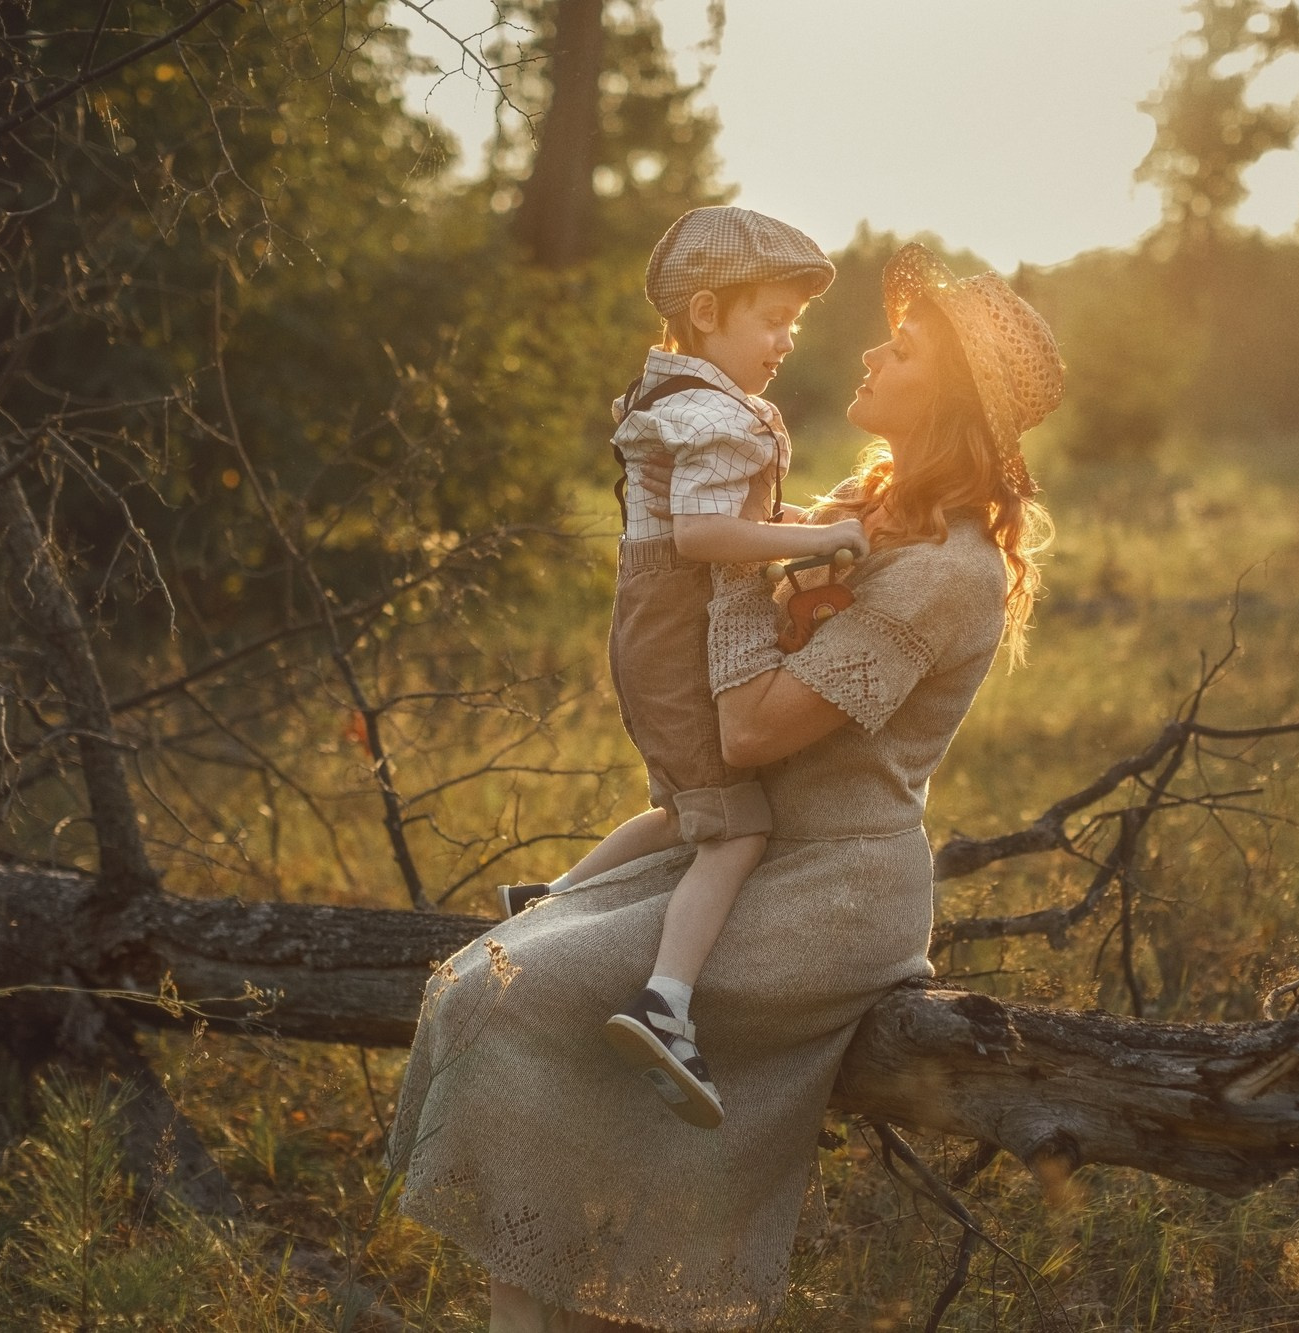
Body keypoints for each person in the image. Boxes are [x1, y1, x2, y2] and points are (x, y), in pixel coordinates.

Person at [389, 241, 1065, 1332]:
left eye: (899, 351)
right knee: (487, 977)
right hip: (740, 844)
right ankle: (536, 1310)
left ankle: (570, 1305)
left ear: (946, 400)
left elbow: (748, 731)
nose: (868, 354)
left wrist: (729, 567)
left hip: (833, 890)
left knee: (516, 992)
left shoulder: (947, 573)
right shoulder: (867, 502)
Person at [501, 205, 867, 1131]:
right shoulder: (711, 414)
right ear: (706, 313)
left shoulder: (687, 402)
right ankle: (666, 1004)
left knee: (683, 807)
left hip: (658, 626)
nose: (787, 340)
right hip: (673, 635)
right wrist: (817, 538)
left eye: (794, 323)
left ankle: (543, 903)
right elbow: (704, 536)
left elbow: (724, 522)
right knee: (736, 827)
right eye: (772, 320)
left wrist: (803, 526)